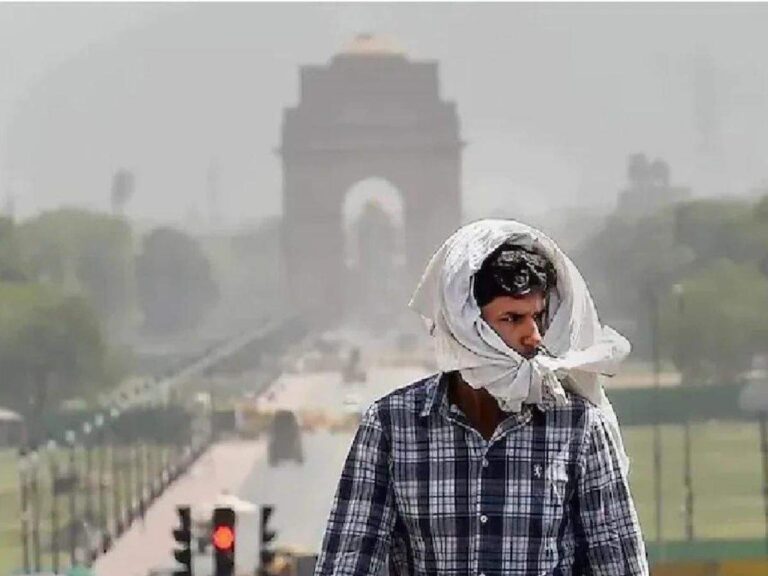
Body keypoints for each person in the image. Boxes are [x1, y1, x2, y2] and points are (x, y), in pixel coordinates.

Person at [314, 219, 648, 576]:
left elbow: (619, 564)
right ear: (466, 324)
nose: (532, 336)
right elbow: (348, 561)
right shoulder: (393, 426)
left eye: (537, 317)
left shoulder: (578, 427)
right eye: (512, 318)